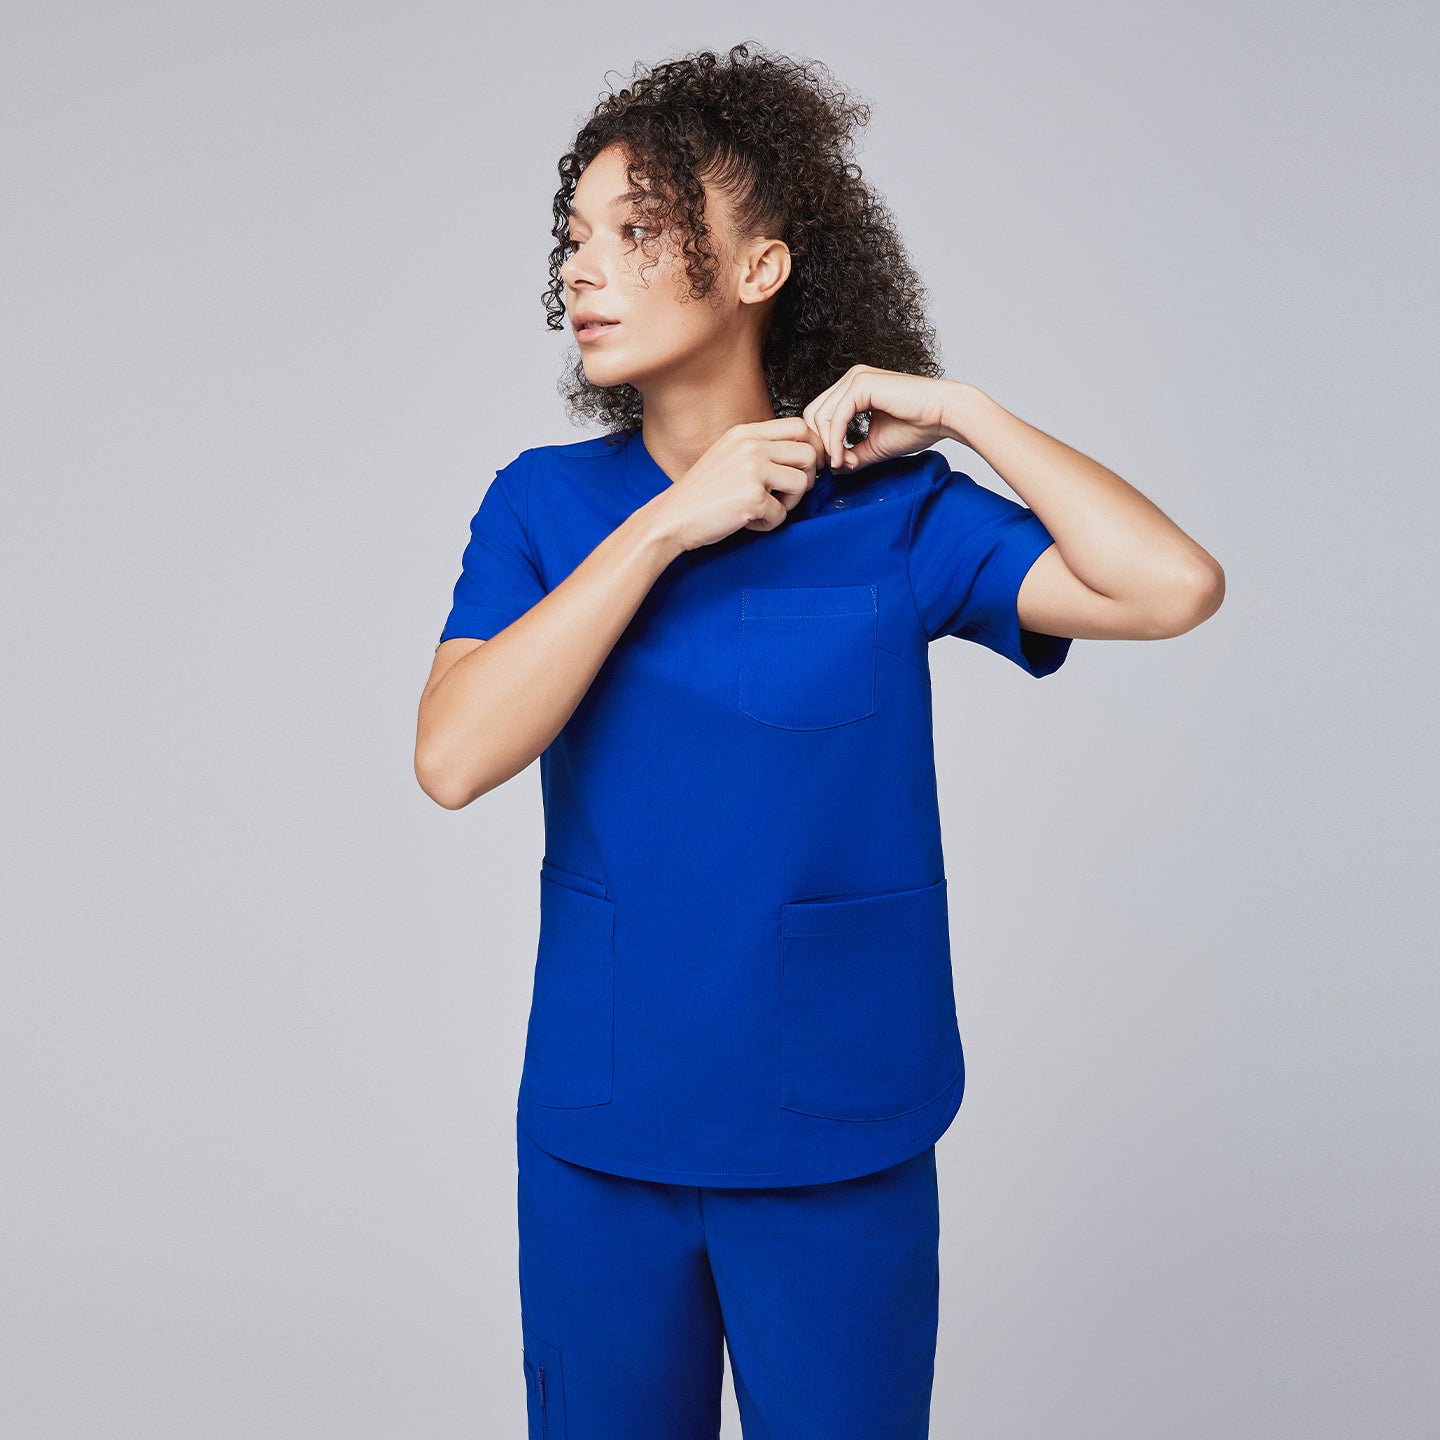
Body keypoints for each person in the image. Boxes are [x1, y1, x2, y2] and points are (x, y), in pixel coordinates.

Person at [414, 40, 1224, 1440]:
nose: (582, 273)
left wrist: (959, 408)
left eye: (638, 231)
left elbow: (1171, 587)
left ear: (760, 267)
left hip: (838, 1127)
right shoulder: (544, 508)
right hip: (608, 1135)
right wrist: (670, 523)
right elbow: (454, 756)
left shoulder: (893, 514)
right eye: (575, 238)